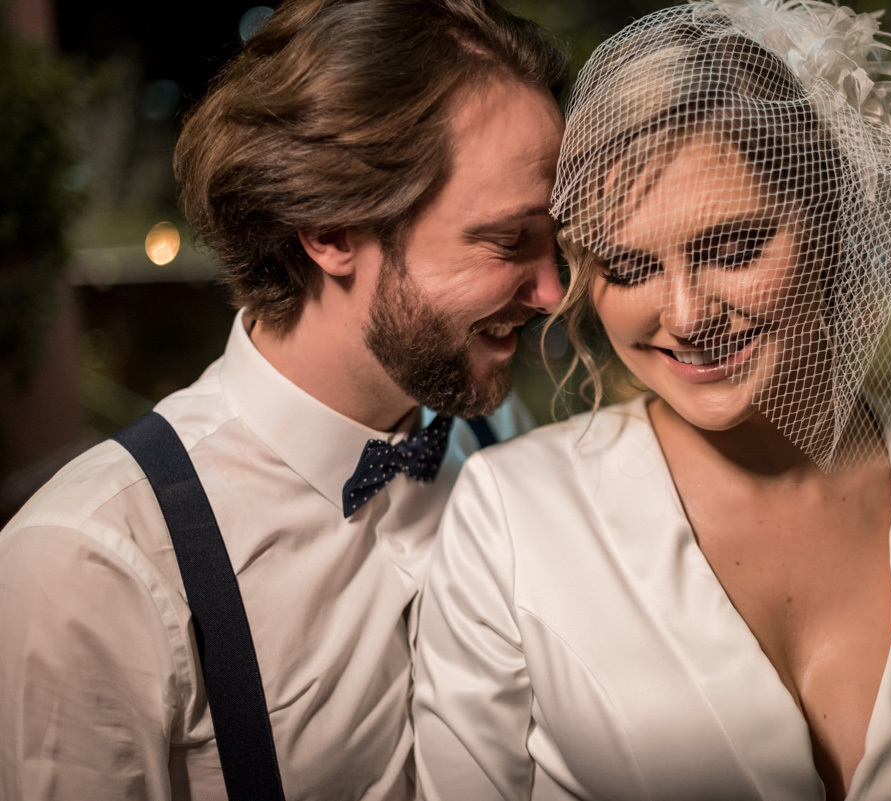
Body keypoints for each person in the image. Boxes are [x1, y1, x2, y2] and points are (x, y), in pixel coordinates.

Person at [412, 2, 891, 800]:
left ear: (833, 220)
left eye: (733, 248)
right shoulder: (511, 514)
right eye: (630, 268)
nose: (688, 315)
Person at [0, 0, 566, 798]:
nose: (551, 291)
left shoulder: (495, 428)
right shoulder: (91, 563)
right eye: (509, 241)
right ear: (330, 230)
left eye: (556, 238)